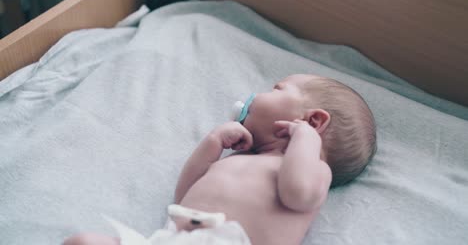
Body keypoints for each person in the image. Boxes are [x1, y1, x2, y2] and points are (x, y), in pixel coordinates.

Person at [63, 74, 377, 245]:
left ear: (313, 122)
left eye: (276, 88)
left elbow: (296, 194)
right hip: (172, 238)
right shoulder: (241, 157)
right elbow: (183, 200)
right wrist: (212, 145)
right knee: (83, 242)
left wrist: (305, 141)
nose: (259, 94)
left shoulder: (315, 172)